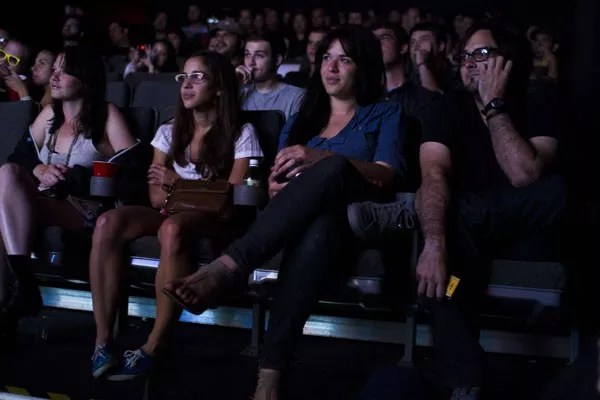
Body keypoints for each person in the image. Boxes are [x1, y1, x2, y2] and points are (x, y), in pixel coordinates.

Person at [162, 26, 406, 400]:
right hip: (309, 222)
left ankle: (229, 267)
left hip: (360, 216)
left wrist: (320, 157)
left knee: (333, 168)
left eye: (344, 59)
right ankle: (270, 376)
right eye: (326, 58)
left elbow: (386, 176)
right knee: (319, 228)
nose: (331, 68)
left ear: (364, 67)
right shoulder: (303, 118)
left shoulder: (385, 113)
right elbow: (274, 184)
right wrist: (276, 186)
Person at [347, 22, 565, 399]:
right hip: (465, 235)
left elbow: (523, 174)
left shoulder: (538, 98)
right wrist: (434, 244)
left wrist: (494, 106)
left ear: (508, 61)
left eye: (482, 54)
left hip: (525, 228)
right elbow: (434, 172)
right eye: (465, 56)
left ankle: (409, 213)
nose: (470, 63)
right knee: (438, 264)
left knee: (554, 191)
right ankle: (466, 377)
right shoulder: (447, 107)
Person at [88, 51, 263, 380]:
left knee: (172, 228)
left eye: (198, 77)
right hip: (171, 211)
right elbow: (156, 196)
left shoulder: (242, 132)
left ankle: (155, 344)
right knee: (107, 222)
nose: (187, 84)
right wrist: (196, 188)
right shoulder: (169, 131)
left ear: (220, 87)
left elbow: (233, 196)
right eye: (184, 77)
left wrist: (177, 184)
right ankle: (103, 341)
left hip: (217, 220)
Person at [0, 46, 136, 338]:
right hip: (44, 200)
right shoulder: (50, 113)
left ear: (85, 79)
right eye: (55, 70)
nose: (55, 77)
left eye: (64, 71)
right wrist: (39, 169)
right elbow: (17, 157)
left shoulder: (106, 114)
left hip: (83, 206)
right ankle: (23, 284)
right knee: (7, 173)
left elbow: (131, 165)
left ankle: (15, 304)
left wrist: (74, 177)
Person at [238, 33, 305, 120]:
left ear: (277, 60)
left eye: (259, 55)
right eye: (247, 54)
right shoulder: (240, 93)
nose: (251, 62)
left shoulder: (296, 96)